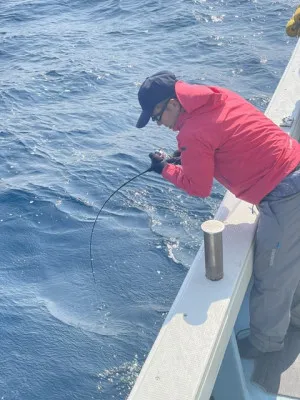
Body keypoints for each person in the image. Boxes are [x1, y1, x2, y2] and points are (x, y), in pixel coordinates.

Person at [135, 70, 300, 359]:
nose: (160, 124)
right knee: (292, 262)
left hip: (284, 197)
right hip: (294, 164)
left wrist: (165, 168)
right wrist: (184, 155)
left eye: (158, 116)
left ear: (173, 104)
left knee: (273, 276)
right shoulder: (217, 95)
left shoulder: (191, 133)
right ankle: (296, 318)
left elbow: (197, 187)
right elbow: (222, 136)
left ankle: (266, 346)